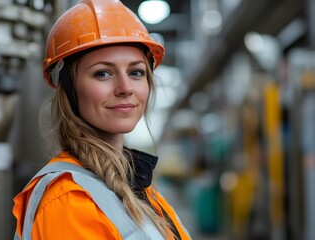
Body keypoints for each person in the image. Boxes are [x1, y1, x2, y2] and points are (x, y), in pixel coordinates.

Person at [13, 0, 191, 239]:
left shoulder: (138, 185)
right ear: (68, 87)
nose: (125, 88)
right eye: (103, 73)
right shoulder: (69, 201)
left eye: (136, 72)